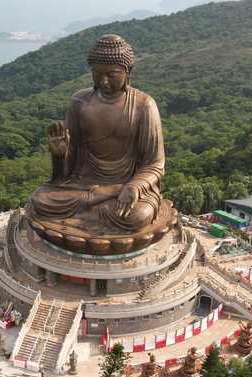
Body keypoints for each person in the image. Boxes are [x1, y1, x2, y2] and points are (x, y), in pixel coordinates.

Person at [28, 34, 165, 235]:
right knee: (40, 199)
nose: (104, 81)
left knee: (138, 215)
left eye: (112, 74)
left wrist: (135, 186)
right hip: (83, 183)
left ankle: (92, 209)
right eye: (97, 74)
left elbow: (154, 164)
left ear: (128, 71)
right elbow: (73, 162)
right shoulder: (79, 101)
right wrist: (60, 155)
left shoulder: (144, 105)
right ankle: (99, 203)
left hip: (126, 186)